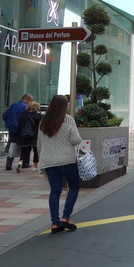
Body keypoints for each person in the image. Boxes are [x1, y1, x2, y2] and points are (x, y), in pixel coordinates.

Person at [37, 95, 82, 234]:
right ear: (64, 106)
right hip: (66, 160)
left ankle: (55, 222)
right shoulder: (68, 119)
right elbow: (76, 140)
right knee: (74, 187)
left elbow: (39, 143)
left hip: (49, 161)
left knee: (55, 191)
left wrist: (41, 159)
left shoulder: (43, 121)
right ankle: (66, 217)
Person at [2, 93, 32, 171]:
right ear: (26, 99)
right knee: (25, 145)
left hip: (12, 128)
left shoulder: (12, 105)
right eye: (30, 100)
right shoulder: (25, 107)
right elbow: (26, 118)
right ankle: (24, 163)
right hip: (21, 129)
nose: (31, 102)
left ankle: (9, 163)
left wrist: (8, 123)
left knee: (11, 144)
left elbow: (5, 115)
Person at [16, 101, 43, 172]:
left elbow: (19, 127)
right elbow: (41, 127)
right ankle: (35, 166)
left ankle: (20, 162)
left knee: (24, 151)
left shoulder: (22, 116)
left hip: (24, 136)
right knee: (36, 151)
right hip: (35, 136)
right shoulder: (39, 116)